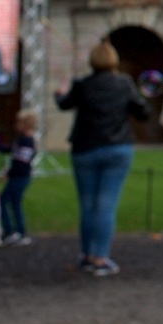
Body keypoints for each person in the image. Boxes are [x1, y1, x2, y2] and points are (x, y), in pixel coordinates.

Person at [55, 39, 149, 276]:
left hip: (85, 149)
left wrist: (58, 94)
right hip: (117, 149)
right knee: (106, 205)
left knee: (87, 205)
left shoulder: (81, 85)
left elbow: (64, 105)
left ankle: (87, 255)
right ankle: (100, 258)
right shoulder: (124, 84)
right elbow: (143, 112)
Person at [0, 109, 39, 245]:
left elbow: (20, 163)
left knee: (1, 201)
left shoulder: (27, 142)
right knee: (15, 203)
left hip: (20, 177)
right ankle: (20, 232)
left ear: (25, 124)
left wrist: (7, 174)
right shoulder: (21, 140)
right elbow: (13, 150)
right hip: (19, 176)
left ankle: (10, 231)